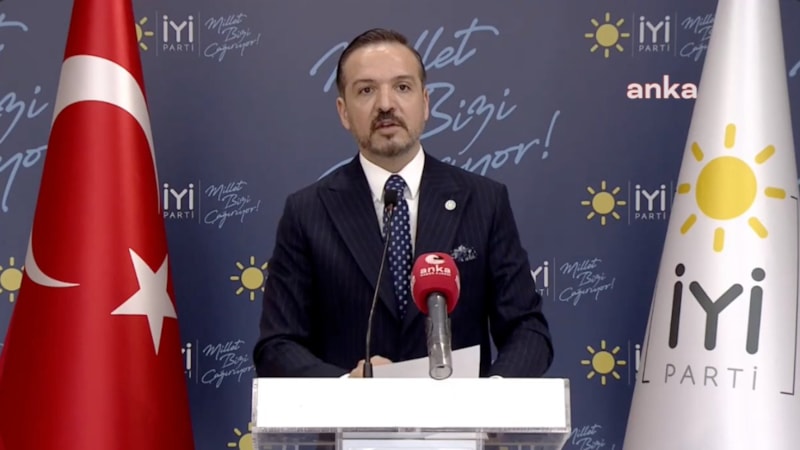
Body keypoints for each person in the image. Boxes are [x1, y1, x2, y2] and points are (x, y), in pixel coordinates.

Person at [253, 28, 553, 378]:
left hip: (460, 413)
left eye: (402, 87)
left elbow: (527, 329)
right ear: (343, 112)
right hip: (354, 413)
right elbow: (277, 345)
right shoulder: (307, 213)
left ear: (425, 103)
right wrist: (345, 386)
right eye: (366, 90)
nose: (385, 104)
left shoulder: (484, 201)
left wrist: (491, 395)